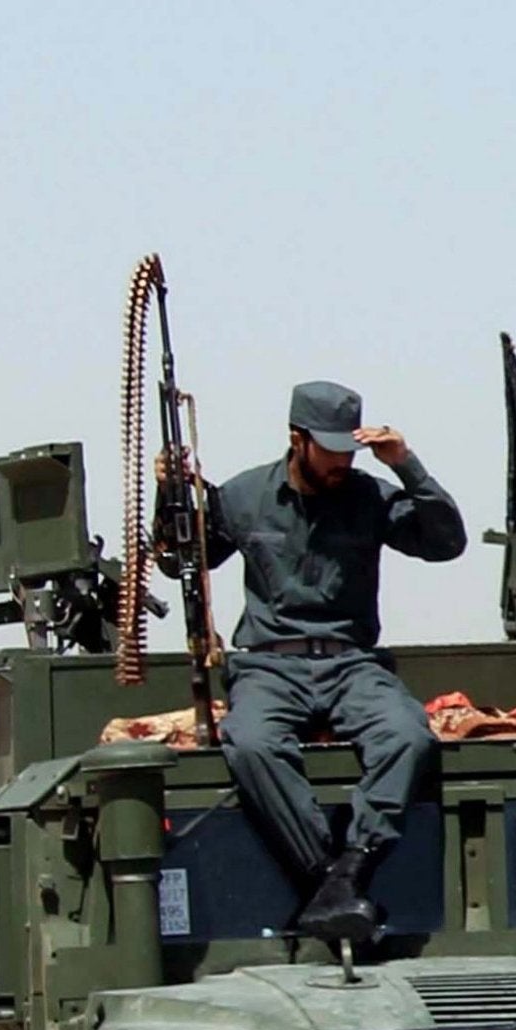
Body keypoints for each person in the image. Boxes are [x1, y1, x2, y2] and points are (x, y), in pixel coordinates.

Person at [203, 380, 467, 942]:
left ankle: (353, 866)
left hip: (353, 663)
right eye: (329, 448)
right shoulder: (245, 495)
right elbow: (185, 556)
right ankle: (329, 879)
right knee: (250, 743)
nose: (342, 461)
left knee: (407, 735)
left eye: (350, 448)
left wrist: (407, 466)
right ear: (296, 440)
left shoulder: (368, 495)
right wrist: (172, 495)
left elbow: (445, 543)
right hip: (268, 665)